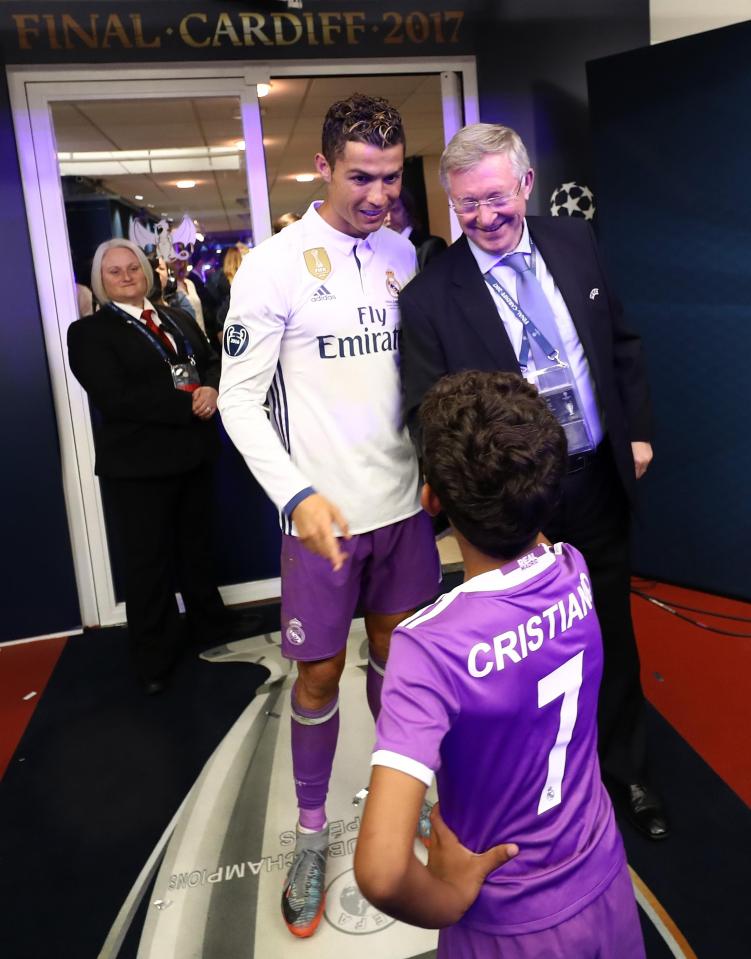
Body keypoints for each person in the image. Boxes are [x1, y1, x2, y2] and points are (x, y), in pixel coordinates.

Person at [398, 123, 669, 841]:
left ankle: (628, 771)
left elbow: (620, 344)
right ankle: (542, 788)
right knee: (526, 653)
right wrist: (474, 502)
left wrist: (635, 431)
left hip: (598, 480)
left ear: (524, 184)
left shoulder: (575, 244)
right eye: (464, 207)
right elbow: (424, 416)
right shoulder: (430, 299)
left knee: (609, 631)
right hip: (514, 507)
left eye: (493, 198)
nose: (483, 218)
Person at [217, 93, 441, 938]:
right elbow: (239, 404)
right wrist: (297, 496)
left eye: (389, 175)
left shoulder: (404, 254)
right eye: (360, 177)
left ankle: (406, 798)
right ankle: (310, 835)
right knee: (315, 679)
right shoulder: (274, 265)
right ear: (321, 167)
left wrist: (437, 467)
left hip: (404, 515)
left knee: (400, 669)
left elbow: (421, 377)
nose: (379, 193)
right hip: (322, 523)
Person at [355, 370, 646, 959]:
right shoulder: (573, 570)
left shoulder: (428, 650)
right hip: (604, 881)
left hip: (508, 921)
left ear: (431, 498)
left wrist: (451, 898)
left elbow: (382, 872)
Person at [67, 238, 230, 694]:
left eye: (132, 268)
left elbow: (212, 360)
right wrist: (191, 405)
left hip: (193, 457)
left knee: (197, 551)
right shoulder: (88, 334)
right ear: (100, 281)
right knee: (148, 566)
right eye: (113, 271)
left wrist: (212, 389)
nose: (125, 277)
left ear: (146, 272)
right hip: (138, 469)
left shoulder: (177, 318)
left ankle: (210, 628)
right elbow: (117, 398)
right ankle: (154, 659)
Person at [386, 187, 447, 269]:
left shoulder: (432, 247)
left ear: (407, 210)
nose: (389, 218)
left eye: (395, 210)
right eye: (383, 212)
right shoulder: (377, 249)